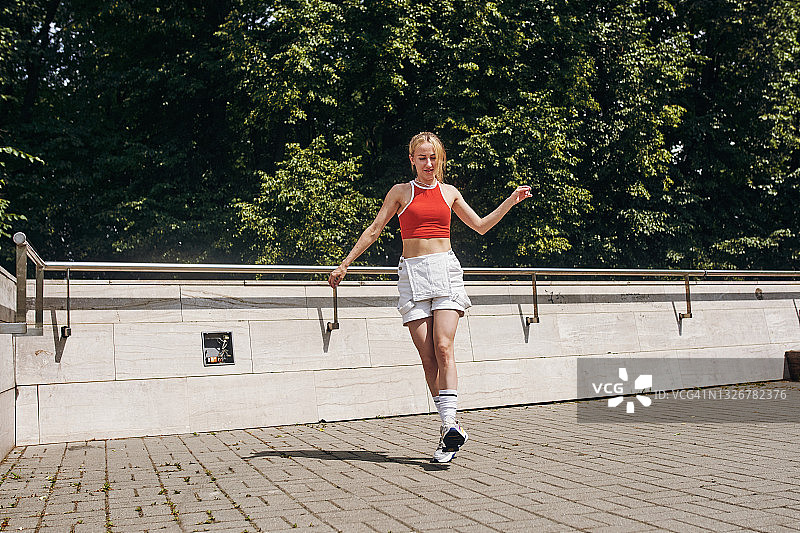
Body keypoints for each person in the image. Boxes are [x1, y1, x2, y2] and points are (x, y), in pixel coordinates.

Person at [328, 132, 531, 463]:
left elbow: (480, 226)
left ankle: (450, 423)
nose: (428, 163)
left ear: (440, 159)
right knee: (427, 357)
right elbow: (374, 229)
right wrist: (346, 263)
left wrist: (510, 200)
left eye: (433, 157)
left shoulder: (449, 193)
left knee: (443, 346)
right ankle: (449, 432)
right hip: (412, 275)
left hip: (444, 272)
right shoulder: (400, 192)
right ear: (412, 159)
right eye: (421, 158)